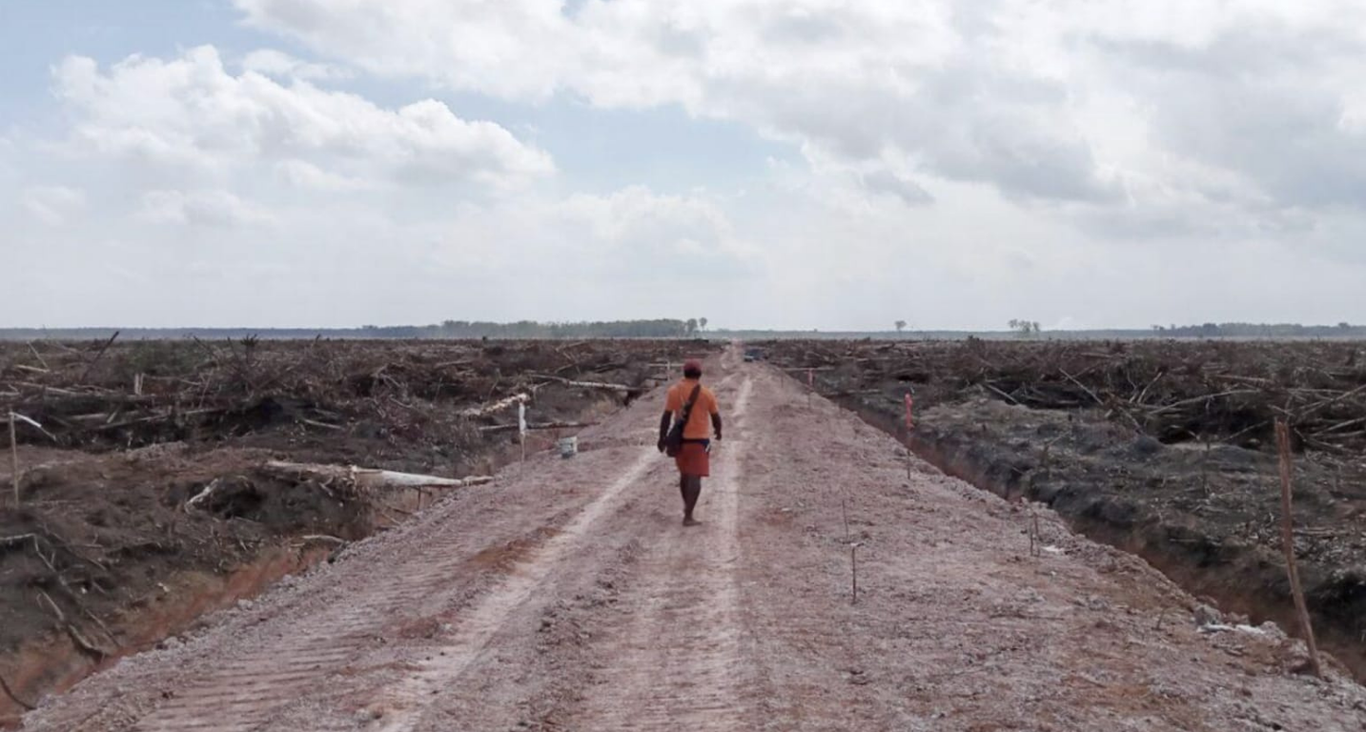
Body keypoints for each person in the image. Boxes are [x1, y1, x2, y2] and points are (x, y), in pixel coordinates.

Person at [657, 359, 722, 526]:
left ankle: (687, 508)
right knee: (695, 478)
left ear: (684, 373)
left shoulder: (674, 391)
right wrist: (718, 432)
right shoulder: (707, 393)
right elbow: (715, 417)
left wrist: (662, 438)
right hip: (699, 441)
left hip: (680, 441)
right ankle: (688, 515)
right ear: (699, 375)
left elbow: (666, 417)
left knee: (685, 476)